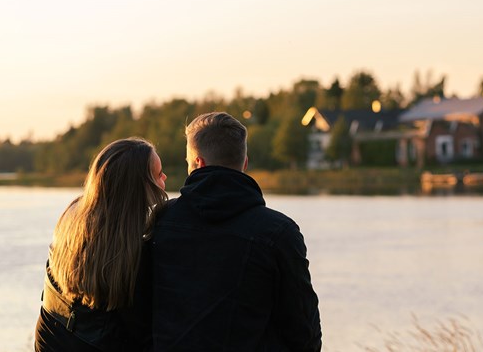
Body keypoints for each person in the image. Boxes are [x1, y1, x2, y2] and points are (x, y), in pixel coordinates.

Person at [151, 112, 321, 351]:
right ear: (245, 163)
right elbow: (305, 334)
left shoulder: (161, 220)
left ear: (198, 163)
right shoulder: (280, 233)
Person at [35, 137, 168, 351]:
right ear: (140, 186)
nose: (165, 178)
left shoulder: (73, 216)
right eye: (159, 174)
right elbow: (142, 335)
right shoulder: (132, 251)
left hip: (50, 337)